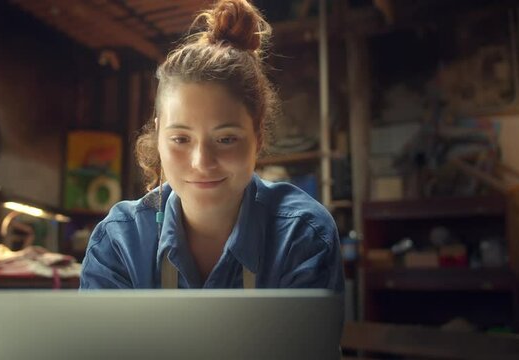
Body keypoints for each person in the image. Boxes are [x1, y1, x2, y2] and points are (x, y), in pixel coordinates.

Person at [80, 0, 343, 291]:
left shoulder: (302, 234)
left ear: (257, 136)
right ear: (158, 135)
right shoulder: (119, 242)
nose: (202, 162)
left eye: (226, 139)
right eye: (181, 139)